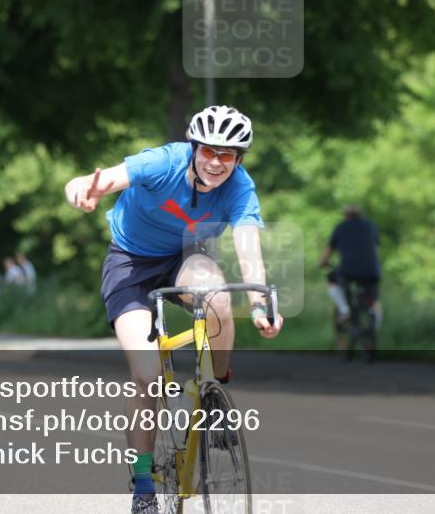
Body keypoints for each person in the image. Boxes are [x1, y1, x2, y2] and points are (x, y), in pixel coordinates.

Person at [64, 104, 283, 514]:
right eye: (209, 152)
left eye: (228, 155)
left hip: (184, 256)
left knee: (218, 296)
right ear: (194, 147)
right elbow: (107, 178)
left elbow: (248, 245)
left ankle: (215, 393)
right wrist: (80, 188)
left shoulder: (240, 187)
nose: (217, 163)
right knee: (146, 378)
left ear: (239, 159)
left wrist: (259, 303)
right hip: (129, 263)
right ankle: (143, 483)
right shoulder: (163, 161)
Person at [319, 204, 382, 360]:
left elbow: (328, 253)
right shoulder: (370, 226)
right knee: (372, 299)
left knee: (331, 280)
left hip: (348, 271)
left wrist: (323, 263)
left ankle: (345, 309)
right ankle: (374, 322)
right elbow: (374, 249)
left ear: (345, 215)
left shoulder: (341, 227)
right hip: (371, 271)